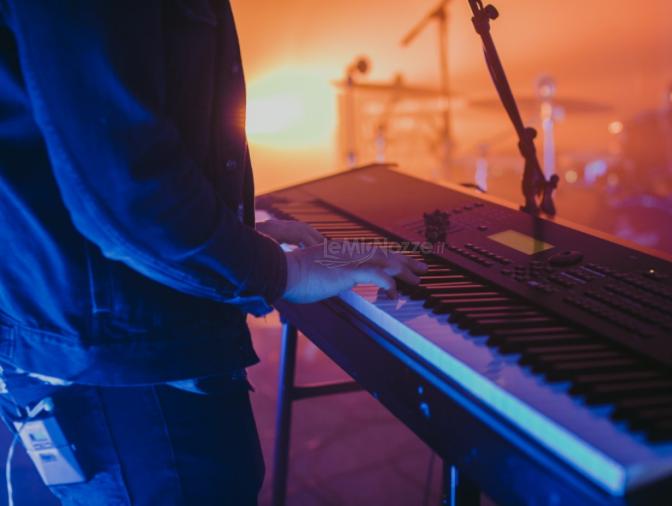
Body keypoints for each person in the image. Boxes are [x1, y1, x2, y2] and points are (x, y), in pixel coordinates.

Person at [0, 1, 425, 504]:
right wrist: (279, 270)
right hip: (128, 360)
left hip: (121, 348)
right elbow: (126, 190)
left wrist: (236, 230)